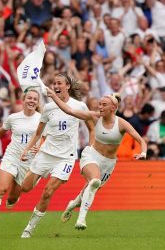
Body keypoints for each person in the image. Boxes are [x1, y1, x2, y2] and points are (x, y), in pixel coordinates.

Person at [46, 89, 147, 230]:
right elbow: (69, 111)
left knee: (90, 189)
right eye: (99, 104)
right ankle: (81, 220)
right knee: (94, 181)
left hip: (109, 163)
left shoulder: (122, 124)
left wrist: (143, 153)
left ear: (113, 108)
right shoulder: (94, 116)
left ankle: (73, 204)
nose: (100, 107)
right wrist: (53, 97)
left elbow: (141, 140)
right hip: (91, 155)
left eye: (104, 105)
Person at [20, 73, 94, 238]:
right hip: (46, 154)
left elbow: (91, 127)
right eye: (54, 83)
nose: (56, 86)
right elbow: (38, 133)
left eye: (59, 83)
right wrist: (27, 149)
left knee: (48, 191)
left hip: (66, 157)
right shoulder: (48, 108)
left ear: (67, 86)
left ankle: (29, 228)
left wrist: (91, 147)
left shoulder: (79, 106)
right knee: (25, 188)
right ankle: (36, 175)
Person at [0, 89, 41, 235]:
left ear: (37, 103)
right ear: (23, 100)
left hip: (28, 162)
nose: (31, 101)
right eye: (29, 98)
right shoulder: (14, 118)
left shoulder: (42, 119)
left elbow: (47, 137)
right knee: (1, 190)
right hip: (11, 157)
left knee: (12, 198)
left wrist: (41, 147)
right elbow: (0, 132)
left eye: (34, 99)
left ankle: (13, 197)